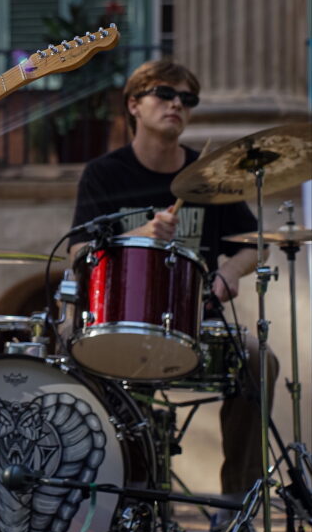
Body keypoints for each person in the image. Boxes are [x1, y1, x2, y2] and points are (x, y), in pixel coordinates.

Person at [67, 57, 278, 504]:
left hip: (196, 327)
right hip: (122, 327)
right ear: (134, 105)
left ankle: (235, 509)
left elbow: (255, 245)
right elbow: (75, 253)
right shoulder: (105, 173)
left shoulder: (209, 178)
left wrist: (229, 270)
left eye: (187, 99)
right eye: (164, 94)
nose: (176, 105)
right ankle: (96, 506)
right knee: (68, 347)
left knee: (260, 359)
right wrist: (137, 235)